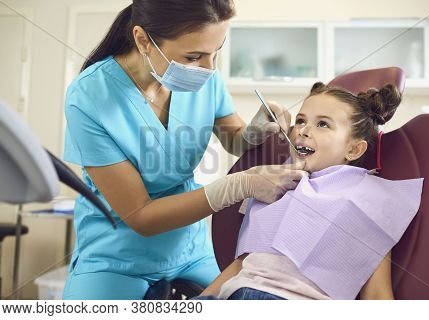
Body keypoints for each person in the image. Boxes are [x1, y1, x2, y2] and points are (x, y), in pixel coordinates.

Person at [62, 0, 307, 300]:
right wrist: (239, 185)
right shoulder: (89, 97)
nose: (210, 68)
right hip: (116, 257)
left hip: (190, 249)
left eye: (216, 51)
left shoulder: (206, 77)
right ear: (143, 41)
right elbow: (142, 215)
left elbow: (232, 138)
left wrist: (253, 132)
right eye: (193, 56)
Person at [195, 81, 414, 300]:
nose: (304, 131)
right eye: (300, 120)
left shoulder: (365, 203)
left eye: (323, 124)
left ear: (354, 149)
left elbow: (377, 296)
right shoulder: (273, 187)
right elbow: (243, 263)